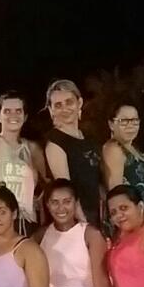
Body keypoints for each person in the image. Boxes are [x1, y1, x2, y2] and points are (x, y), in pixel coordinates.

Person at [0, 91, 46, 236]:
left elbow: (47, 182)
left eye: (18, 111)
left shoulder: (32, 148)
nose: (13, 115)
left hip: (27, 221)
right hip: (0, 221)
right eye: (7, 111)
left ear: (25, 116)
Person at [44, 80, 104, 227]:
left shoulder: (88, 138)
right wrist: (84, 225)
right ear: (51, 110)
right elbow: (66, 194)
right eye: (58, 105)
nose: (65, 108)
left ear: (80, 103)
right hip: (76, 220)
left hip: (96, 215)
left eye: (69, 102)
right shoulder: (55, 143)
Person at [103, 104, 144, 220]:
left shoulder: (134, 149)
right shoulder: (114, 149)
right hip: (129, 220)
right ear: (111, 124)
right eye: (124, 121)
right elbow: (116, 193)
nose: (130, 126)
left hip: (143, 219)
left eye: (134, 121)